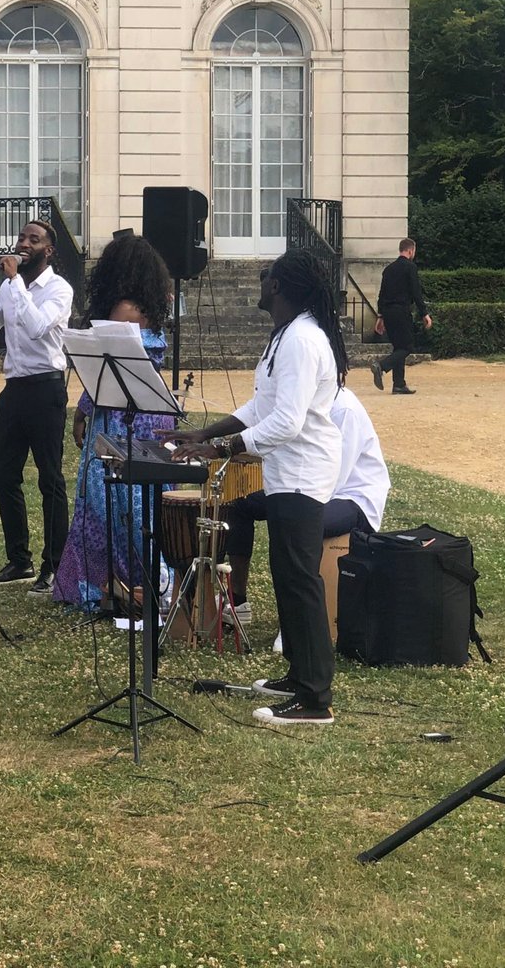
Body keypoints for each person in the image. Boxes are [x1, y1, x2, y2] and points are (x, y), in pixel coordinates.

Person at [169, 248, 346, 727]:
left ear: (281, 287)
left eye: (267, 277)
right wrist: (204, 434)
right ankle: (300, 675)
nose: (261, 283)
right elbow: (260, 406)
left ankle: (315, 698)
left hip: (305, 472)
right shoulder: (285, 336)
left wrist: (221, 450)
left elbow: (286, 422)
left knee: (300, 579)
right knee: (290, 576)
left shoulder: (302, 340)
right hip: (289, 473)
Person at [53, 235, 177, 608]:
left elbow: (104, 370)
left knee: (106, 496)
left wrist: (81, 411)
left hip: (118, 413)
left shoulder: (122, 309)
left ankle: (109, 580)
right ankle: (155, 576)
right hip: (152, 412)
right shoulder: (157, 308)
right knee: (145, 498)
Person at [219, 385, 391, 622]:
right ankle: (238, 601)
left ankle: (296, 620)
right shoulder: (301, 398)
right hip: (303, 488)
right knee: (240, 507)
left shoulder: (344, 409)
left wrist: (286, 499)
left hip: (354, 497)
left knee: (297, 521)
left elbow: (334, 477)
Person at [0, 219, 74, 590]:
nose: (23, 243)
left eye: (33, 239)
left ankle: (54, 565)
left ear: (49, 250)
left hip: (46, 390)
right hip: (14, 388)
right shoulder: (11, 287)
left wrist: (14, 283)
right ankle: (19, 561)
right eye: (22, 237)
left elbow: (38, 327)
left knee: (50, 479)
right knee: (4, 474)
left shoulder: (59, 289)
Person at [371, 237, 432, 395]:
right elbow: (416, 292)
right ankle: (382, 366)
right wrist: (424, 313)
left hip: (388, 313)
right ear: (411, 250)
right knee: (407, 346)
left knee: (399, 347)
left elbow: (381, 295)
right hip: (401, 311)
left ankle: (399, 384)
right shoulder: (410, 268)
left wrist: (380, 316)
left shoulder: (388, 269)